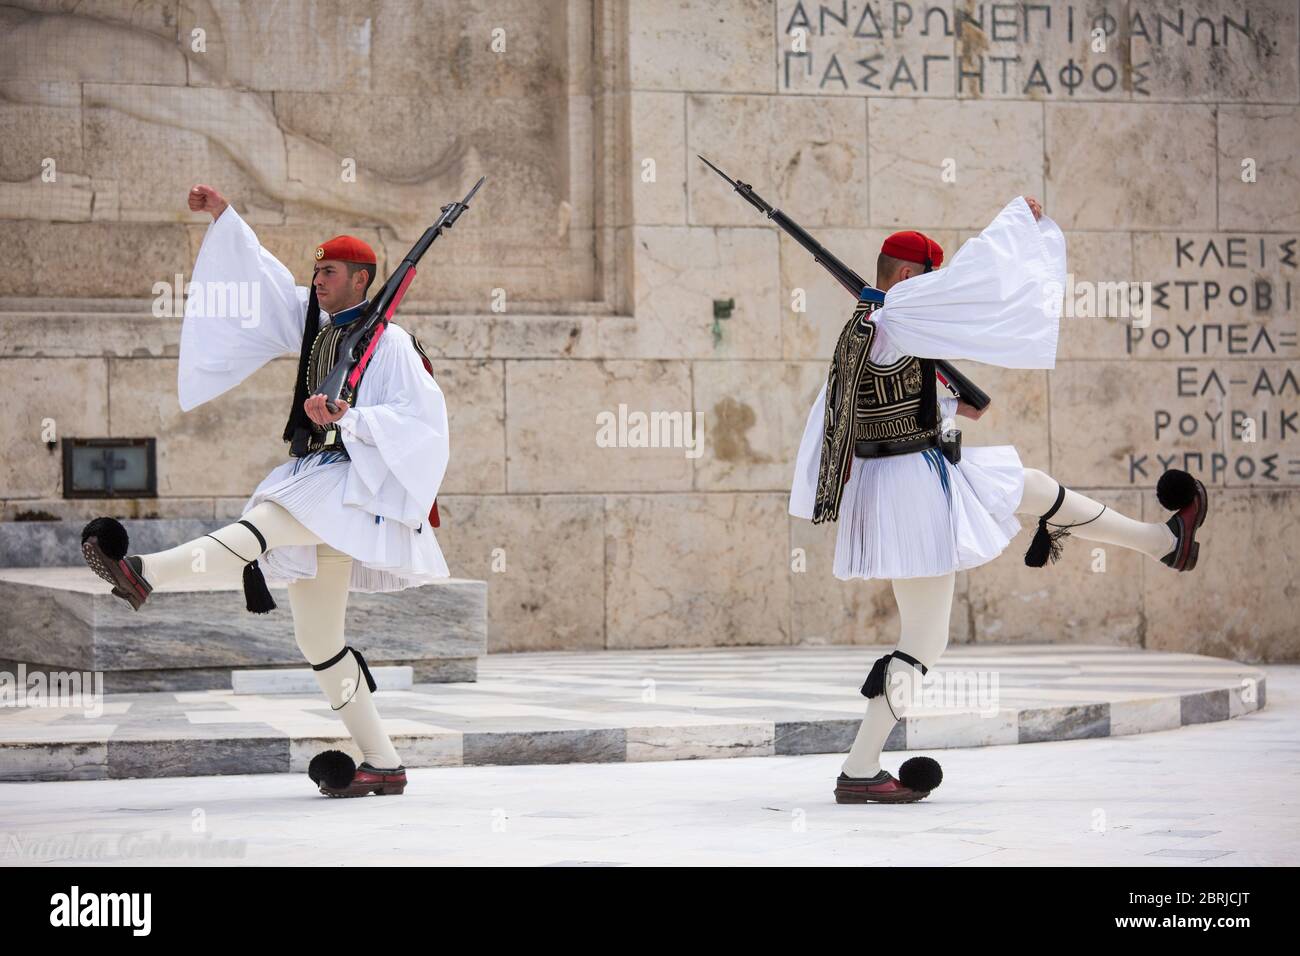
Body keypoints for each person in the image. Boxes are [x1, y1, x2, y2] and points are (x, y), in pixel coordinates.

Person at [789, 196, 1209, 804]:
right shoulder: (896, 316)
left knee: (1030, 485)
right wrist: (1019, 220)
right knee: (924, 642)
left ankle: (1162, 543)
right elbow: (978, 281)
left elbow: (890, 405)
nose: (940, 292)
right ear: (908, 279)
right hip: (910, 491)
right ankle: (859, 768)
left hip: (916, 475)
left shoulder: (874, 324)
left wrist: (948, 401)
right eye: (930, 281)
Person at [80, 184, 454, 797]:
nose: (319, 280)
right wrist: (226, 218)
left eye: (330, 272)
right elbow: (265, 286)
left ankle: (143, 572)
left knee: (266, 523)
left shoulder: (391, 345)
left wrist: (348, 417)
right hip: (320, 480)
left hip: (353, 484)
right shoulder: (318, 325)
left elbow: (424, 423)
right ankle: (383, 762)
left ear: (363, 280)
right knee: (317, 638)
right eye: (317, 270)